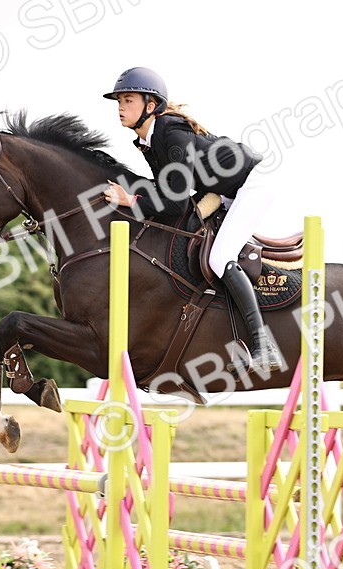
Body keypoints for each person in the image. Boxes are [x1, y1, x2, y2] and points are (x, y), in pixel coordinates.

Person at [102, 66, 285, 373]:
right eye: (119, 101)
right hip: (222, 188)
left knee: (220, 256)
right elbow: (169, 190)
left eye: (128, 100)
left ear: (150, 105)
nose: (121, 107)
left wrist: (130, 200)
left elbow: (173, 202)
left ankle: (263, 346)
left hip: (252, 182)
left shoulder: (169, 134)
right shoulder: (148, 139)